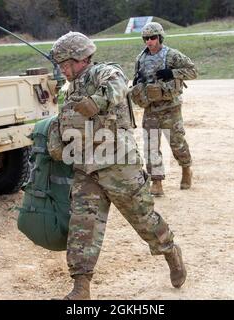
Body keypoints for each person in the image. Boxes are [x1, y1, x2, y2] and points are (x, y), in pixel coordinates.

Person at [48, 31, 187, 300]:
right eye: (60, 64)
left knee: (142, 218)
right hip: (86, 166)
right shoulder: (70, 86)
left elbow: (118, 87)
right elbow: (65, 120)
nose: (62, 69)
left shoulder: (105, 72)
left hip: (118, 164)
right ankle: (81, 287)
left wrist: (95, 103)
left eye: (65, 63)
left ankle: (170, 250)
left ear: (81, 59)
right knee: (82, 226)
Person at [132, 22, 197, 196]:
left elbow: (193, 71)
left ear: (160, 37)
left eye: (153, 38)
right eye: (146, 38)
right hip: (151, 108)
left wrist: (172, 73)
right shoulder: (141, 58)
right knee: (151, 145)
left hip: (170, 107)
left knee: (177, 142)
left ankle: (186, 169)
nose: (149, 41)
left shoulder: (172, 55)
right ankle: (157, 181)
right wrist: (137, 83)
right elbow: (136, 81)